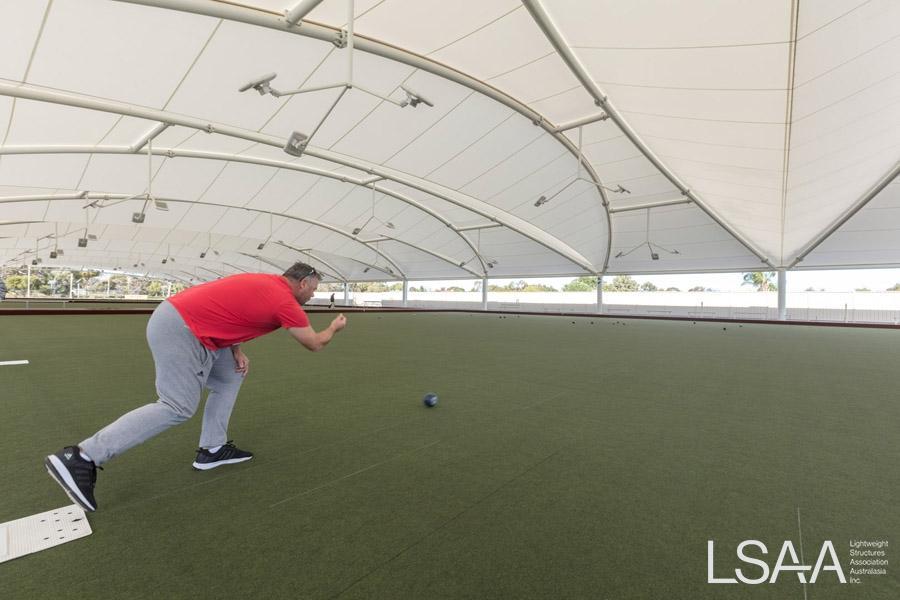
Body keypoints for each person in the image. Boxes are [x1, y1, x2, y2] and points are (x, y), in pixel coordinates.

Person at [44, 262, 346, 512]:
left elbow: (233, 311)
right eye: (315, 288)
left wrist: (235, 349)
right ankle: (82, 457)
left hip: (185, 323)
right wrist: (334, 327)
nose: (313, 294)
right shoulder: (286, 301)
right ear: (304, 282)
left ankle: (212, 448)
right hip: (183, 329)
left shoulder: (265, 283)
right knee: (177, 406)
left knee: (231, 375)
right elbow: (314, 344)